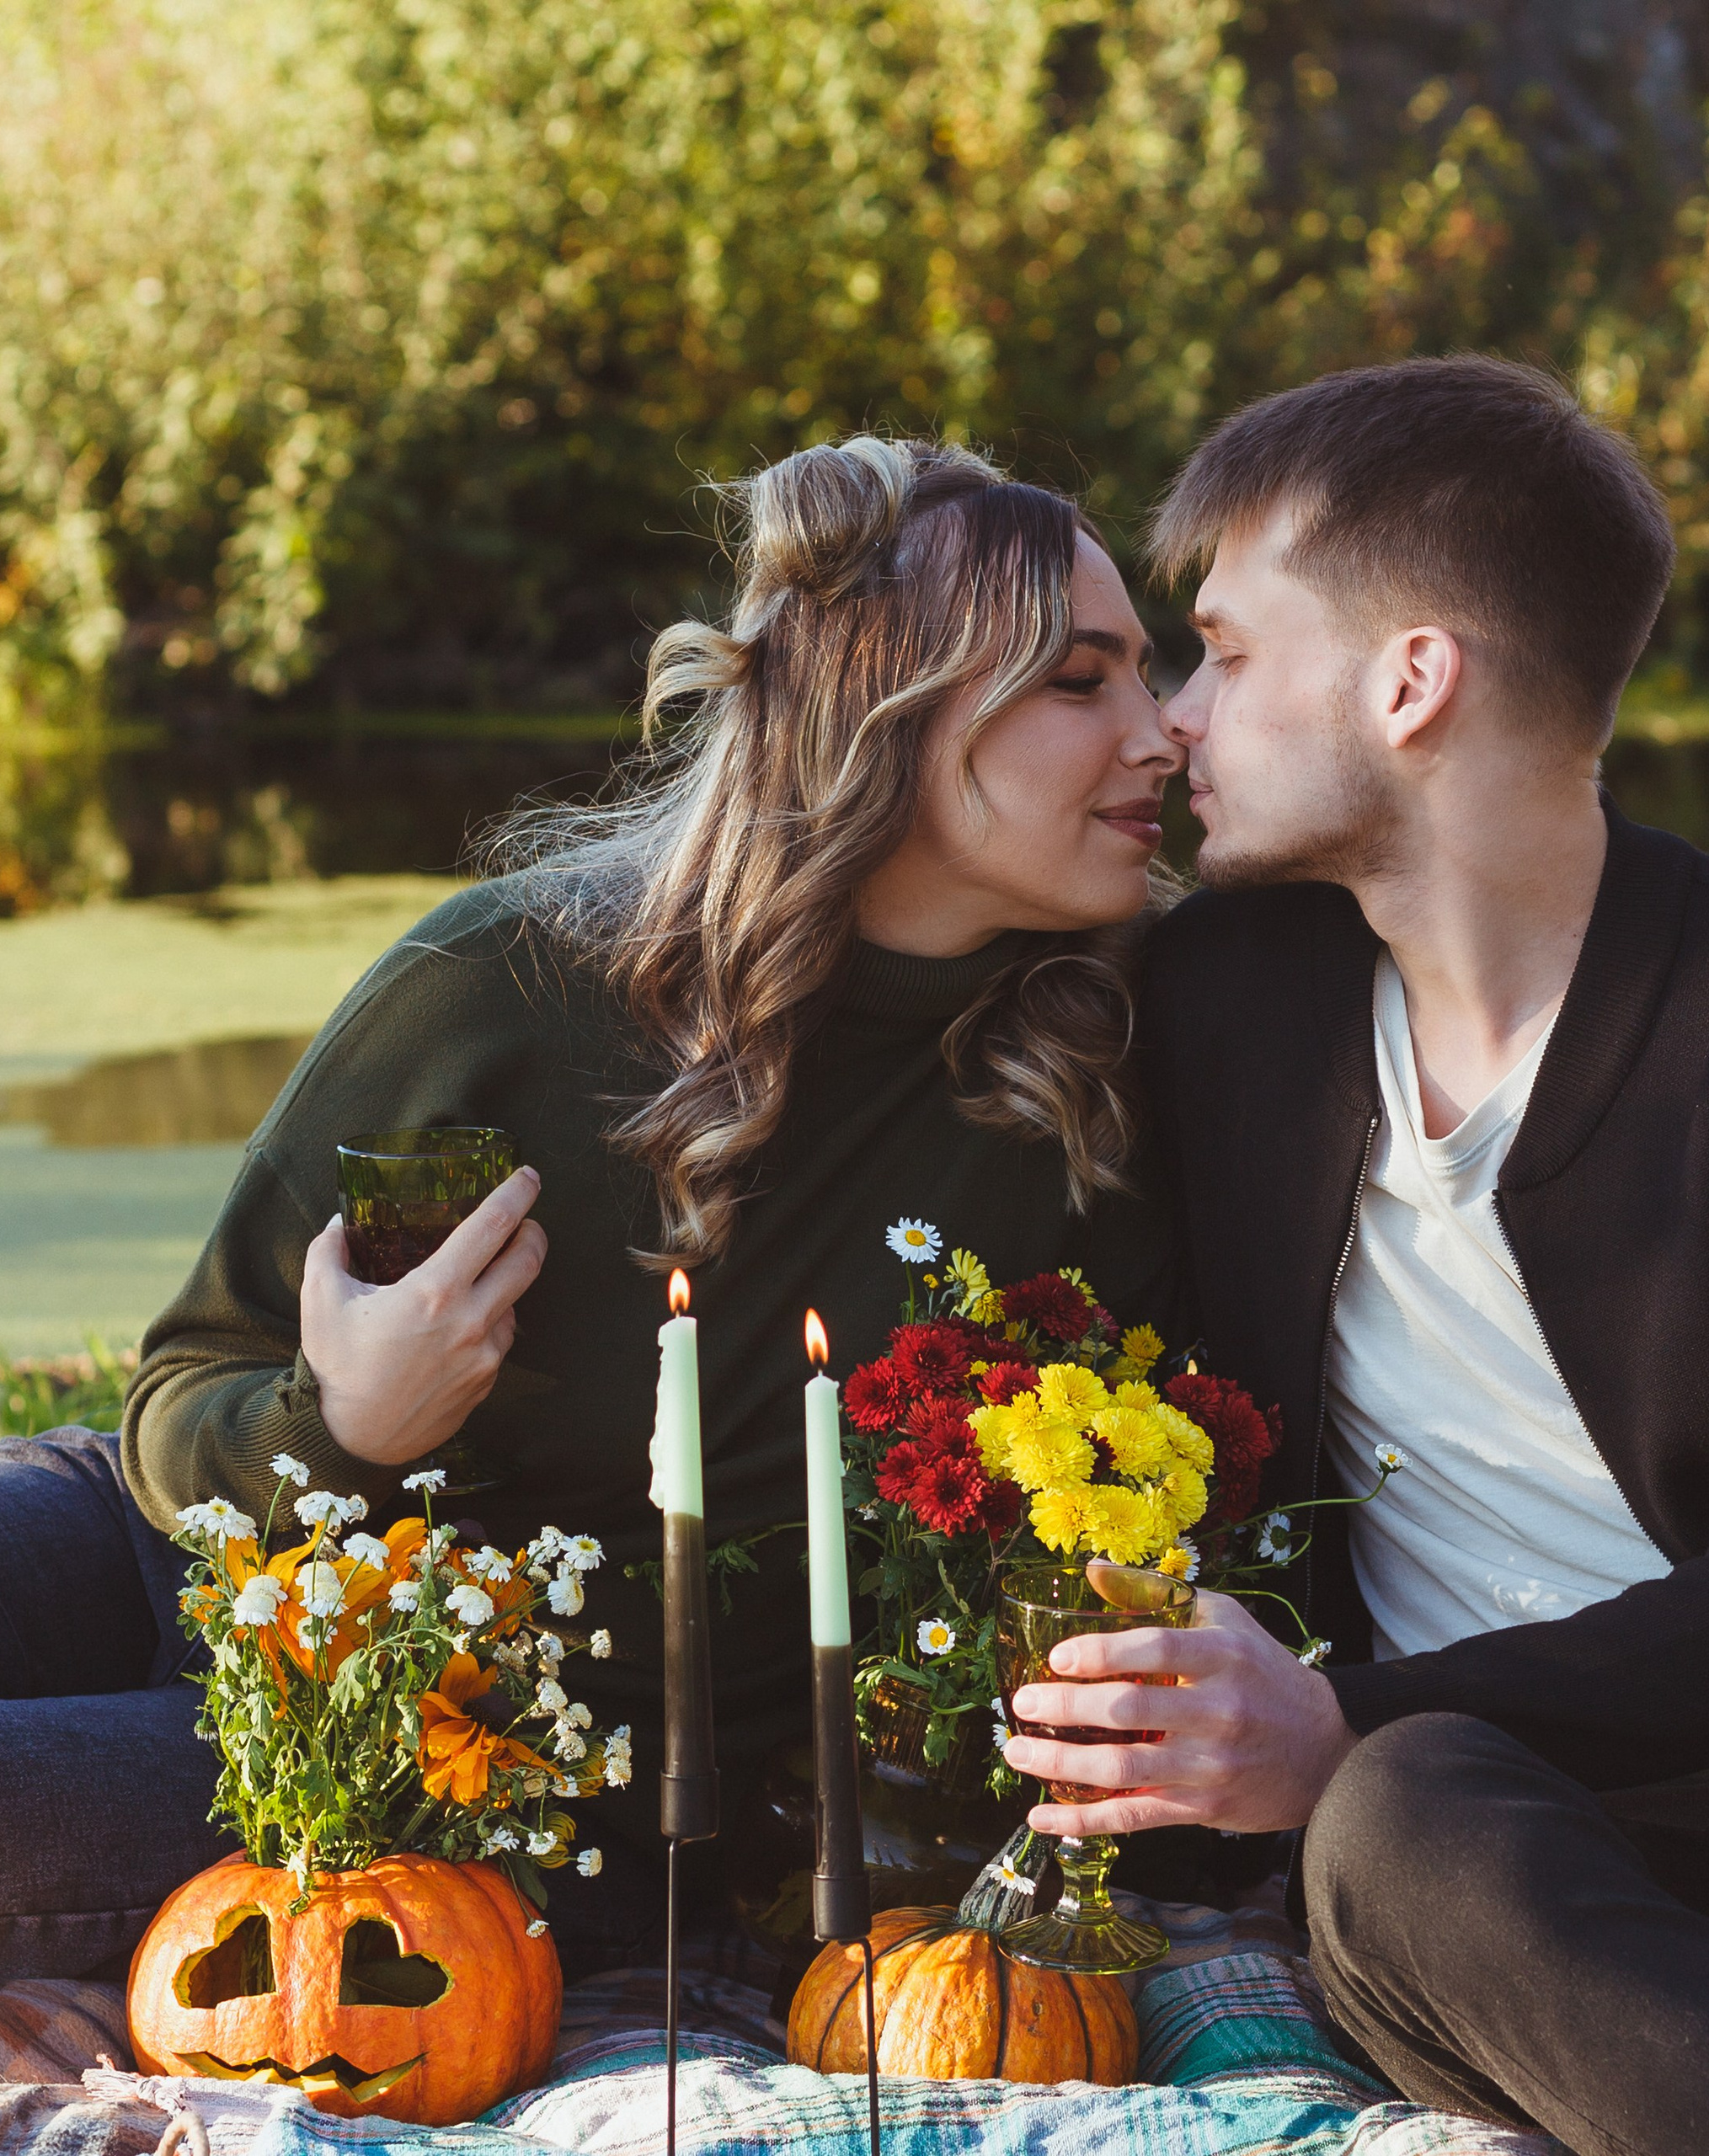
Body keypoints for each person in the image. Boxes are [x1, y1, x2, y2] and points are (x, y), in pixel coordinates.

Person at [999, 356, 1709, 2156]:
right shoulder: (1222, 1003)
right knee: (1386, 1820)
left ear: (1408, 680)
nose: (1174, 721)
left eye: (1224, 652)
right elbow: (868, 959)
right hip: (1527, 1909)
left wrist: (1336, 1712)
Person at [0, 435, 1183, 1980]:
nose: (1165, 737)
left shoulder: (1119, 1066)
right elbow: (180, 1395)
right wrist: (343, 1421)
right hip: (183, 1543)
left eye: (1154, 675)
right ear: (882, 705)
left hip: (437, 1767)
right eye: (1083, 683)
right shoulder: (508, 982)